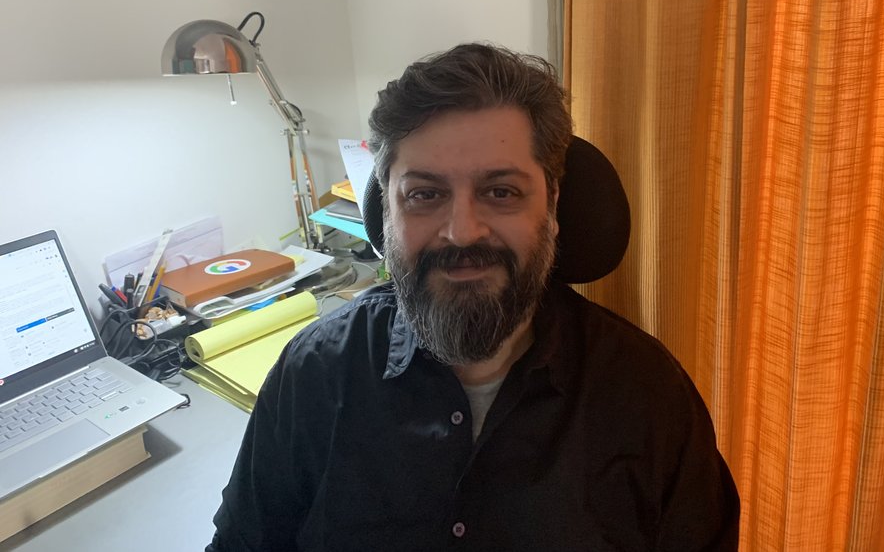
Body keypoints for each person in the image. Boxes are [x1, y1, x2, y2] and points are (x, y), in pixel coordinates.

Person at [207, 43, 739, 551]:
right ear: (385, 214)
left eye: (501, 192)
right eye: (425, 195)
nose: (462, 232)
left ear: (552, 207)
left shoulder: (649, 399)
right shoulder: (315, 376)